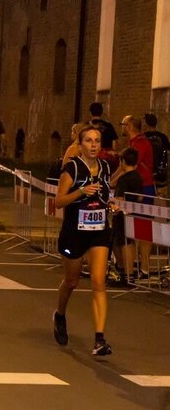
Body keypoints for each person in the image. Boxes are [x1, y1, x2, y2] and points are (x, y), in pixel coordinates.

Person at [52, 124, 118, 356]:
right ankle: (60, 314)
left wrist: (111, 203)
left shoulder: (106, 167)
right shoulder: (72, 168)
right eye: (88, 141)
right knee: (71, 281)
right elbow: (59, 201)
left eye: (97, 141)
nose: (93, 145)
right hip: (74, 232)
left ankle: (100, 338)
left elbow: (105, 193)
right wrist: (81, 192)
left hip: (99, 230)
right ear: (80, 145)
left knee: (99, 281)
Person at [119, 115, 156, 280]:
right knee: (133, 227)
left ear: (129, 126)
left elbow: (128, 165)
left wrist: (111, 181)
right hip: (135, 187)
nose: (121, 127)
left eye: (123, 124)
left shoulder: (140, 144)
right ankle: (133, 266)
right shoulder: (133, 143)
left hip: (144, 188)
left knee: (143, 228)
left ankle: (145, 268)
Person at [109, 147, 143, 285]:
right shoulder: (137, 177)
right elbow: (140, 197)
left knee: (123, 243)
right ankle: (127, 273)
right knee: (126, 242)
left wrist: (111, 202)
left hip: (122, 215)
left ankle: (127, 274)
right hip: (133, 214)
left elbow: (120, 198)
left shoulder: (124, 179)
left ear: (123, 161)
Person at [143, 113, 169, 195]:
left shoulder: (143, 137)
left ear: (146, 124)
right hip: (160, 170)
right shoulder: (163, 137)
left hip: (147, 170)